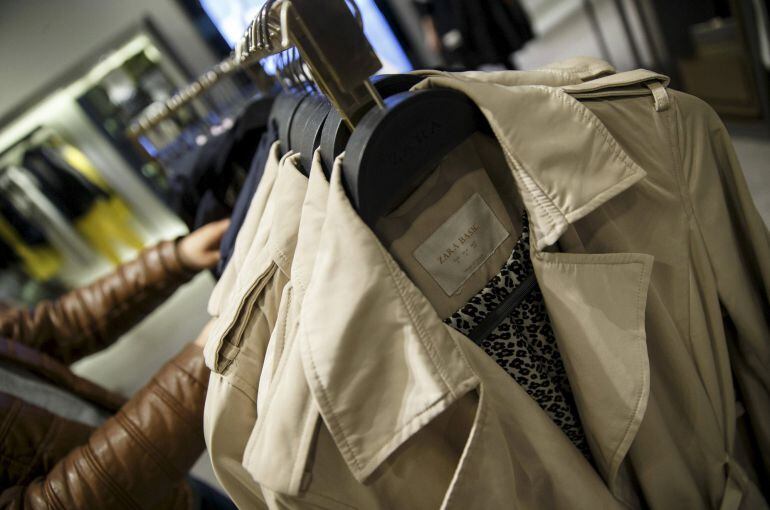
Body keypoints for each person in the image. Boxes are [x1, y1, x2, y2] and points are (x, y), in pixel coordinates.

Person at [0, 219, 234, 510]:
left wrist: (174, 260)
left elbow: (53, 328)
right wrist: (194, 372)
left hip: (160, 474)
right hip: (139, 467)